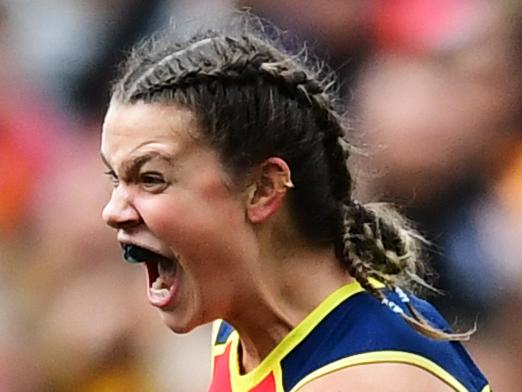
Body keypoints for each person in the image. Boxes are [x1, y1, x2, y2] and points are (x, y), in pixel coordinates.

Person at [100, 16, 490, 392]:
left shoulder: (364, 380)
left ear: (264, 189)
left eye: (151, 178)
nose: (112, 211)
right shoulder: (239, 334)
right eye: (115, 179)